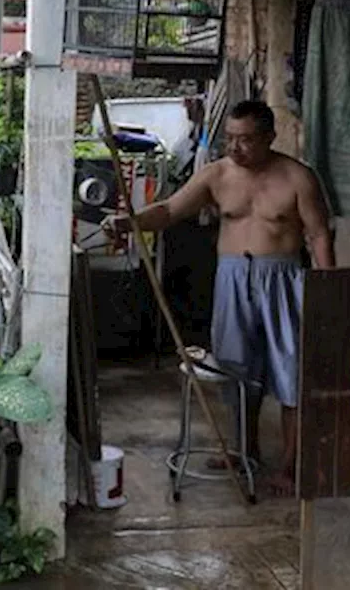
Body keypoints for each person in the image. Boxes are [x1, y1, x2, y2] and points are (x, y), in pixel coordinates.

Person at [103, 100, 335, 497]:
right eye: (230, 138)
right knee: (235, 368)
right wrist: (130, 223)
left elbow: (318, 235)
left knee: (292, 372)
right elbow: (170, 210)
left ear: (269, 137)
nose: (235, 147)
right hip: (232, 279)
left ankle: (292, 464)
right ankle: (244, 452)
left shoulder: (298, 178)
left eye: (245, 140)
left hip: (282, 277)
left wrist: (329, 291)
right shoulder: (216, 176)